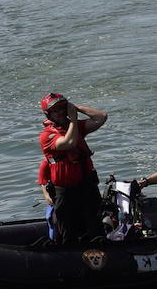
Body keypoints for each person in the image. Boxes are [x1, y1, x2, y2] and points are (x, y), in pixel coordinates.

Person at [37, 92, 108, 244]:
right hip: (65, 190)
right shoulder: (47, 136)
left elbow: (101, 117)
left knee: (94, 225)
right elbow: (69, 143)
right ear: (48, 114)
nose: (61, 113)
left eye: (62, 108)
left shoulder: (76, 127)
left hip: (87, 185)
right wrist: (74, 120)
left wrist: (75, 108)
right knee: (67, 231)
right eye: (56, 110)